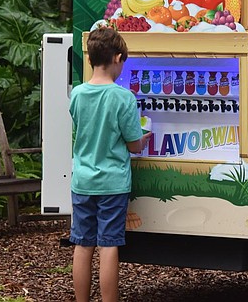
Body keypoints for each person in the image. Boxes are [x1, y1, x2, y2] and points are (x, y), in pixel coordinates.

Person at [69, 27, 151, 302]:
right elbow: (133, 145)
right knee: (108, 245)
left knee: (82, 244)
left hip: (82, 181)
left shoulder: (77, 94)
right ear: (117, 57)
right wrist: (144, 138)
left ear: (91, 58)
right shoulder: (123, 97)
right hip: (113, 184)